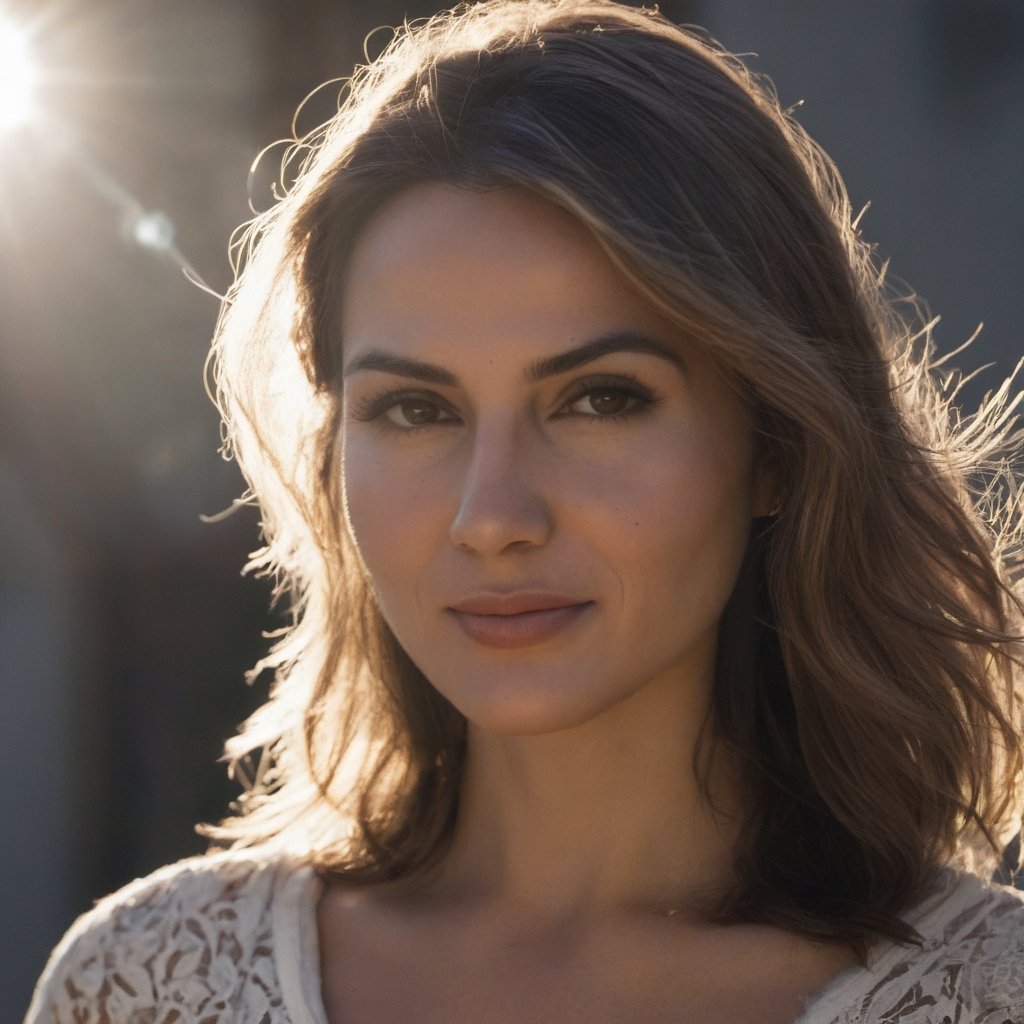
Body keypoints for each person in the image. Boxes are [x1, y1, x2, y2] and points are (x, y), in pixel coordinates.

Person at [25, 1, 1024, 1021]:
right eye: (414, 409)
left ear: (776, 444)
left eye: (600, 399)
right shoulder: (145, 984)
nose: (491, 514)